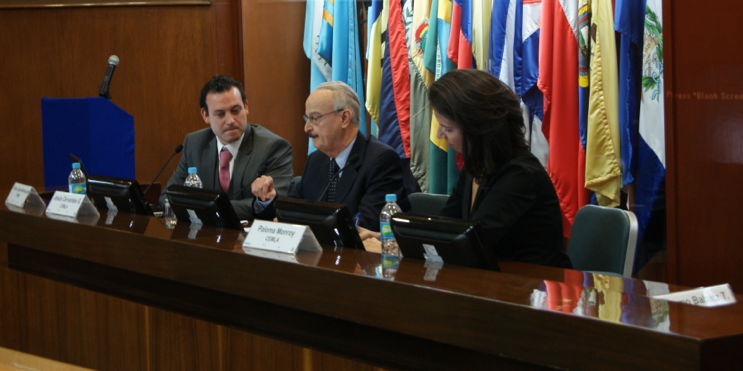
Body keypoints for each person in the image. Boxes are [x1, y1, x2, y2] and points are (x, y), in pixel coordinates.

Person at [429, 69, 571, 268]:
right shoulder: (476, 165)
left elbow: (475, 242)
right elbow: (446, 224)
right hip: (494, 282)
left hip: (534, 289)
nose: (439, 135)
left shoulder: (521, 175)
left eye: (448, 129)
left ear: (477, 128)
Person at [252, 81, 410, 231]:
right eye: (307, 119)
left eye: (314, 118)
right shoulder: (316, 160)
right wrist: (269, 199)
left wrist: (306, 225)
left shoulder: (381, 160)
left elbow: (368, 225)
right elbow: (294, 209)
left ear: (344, 118)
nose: (307, 128)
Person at [166, 75, 293, 220]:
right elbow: (168, 196)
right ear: (205, 115)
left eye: (235, 111)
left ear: (246, 106)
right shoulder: (194, 144)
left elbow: (275, 203)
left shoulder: (273, 147)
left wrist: (205, 208)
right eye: (220, 114)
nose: (230, 121)